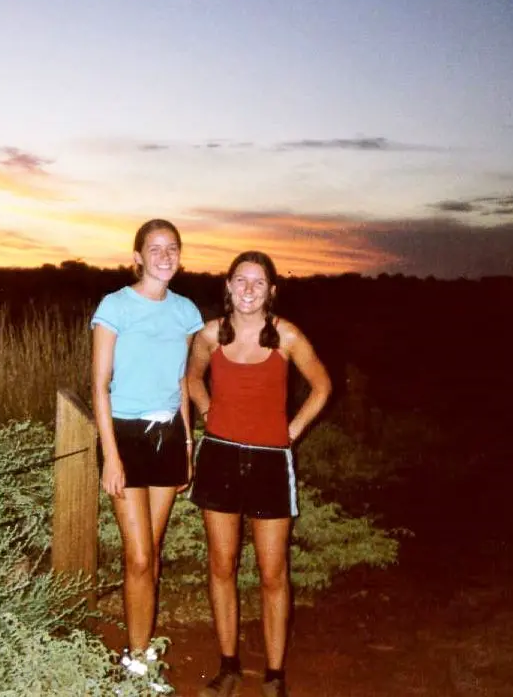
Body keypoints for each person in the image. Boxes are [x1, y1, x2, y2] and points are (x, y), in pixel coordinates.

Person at [186, 251, 331, 697]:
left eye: (258, 281)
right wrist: (209, 410)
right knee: (222, 566)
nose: (248, 288)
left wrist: (292, 430)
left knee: (272, 573)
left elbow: (322, 385)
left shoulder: (286, 335)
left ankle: (273, 676)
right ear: (227, 286)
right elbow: (191, 378)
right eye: (240, 280)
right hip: (219, 458)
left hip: (271, 460)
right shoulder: (210, 334)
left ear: (272, 290)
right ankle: (228, 667)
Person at [91, 219, 204, 693]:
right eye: (154, 249)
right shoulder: (115, 306)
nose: (164, 256)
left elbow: (182, 382)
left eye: (172, 248)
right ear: (137, 256)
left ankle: (142, 651)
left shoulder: (186, 312)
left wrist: (186, 444)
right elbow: (98, 385)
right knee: (138, 556)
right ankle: (135, 663)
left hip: (168, 438)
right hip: (125, 435)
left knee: (150, 554)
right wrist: (112, 458)